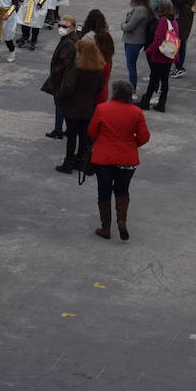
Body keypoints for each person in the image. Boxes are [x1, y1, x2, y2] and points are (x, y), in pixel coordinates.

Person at [87, 79, 150, 240]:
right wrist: (131, 144)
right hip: (127, 160)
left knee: (104, 191)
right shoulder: (136, 112)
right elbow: (144, 137)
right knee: (122, 190)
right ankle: (121, 221)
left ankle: (105, 227)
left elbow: (92, 131)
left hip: (103, 159)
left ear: (115, 93)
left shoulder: (102, 108)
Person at [56, 37, 105, 173]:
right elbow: (100, 88)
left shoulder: (76, 69)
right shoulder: (98, 70)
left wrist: (60, 96)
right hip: (88, 106)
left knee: (71, 136)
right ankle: (80, 160)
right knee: (83, 135)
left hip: (73, 106)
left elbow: (68, 87)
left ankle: (68, 162)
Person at [41, 13, 78, 140]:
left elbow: (64, 63)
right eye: (60, 25)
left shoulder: (68, 42)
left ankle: (58, 130)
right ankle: (68, 129)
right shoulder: (71, 39)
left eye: (64, 26)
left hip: (62, 79)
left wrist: (55, 74)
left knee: (60, 105)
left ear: (72, 28)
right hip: (65, 78)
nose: (61, 28)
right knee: (64, 104)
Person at [141, 0, 179, 112]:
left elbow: (158, 39)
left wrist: (148, 50)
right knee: (165, 80)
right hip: (170, 55)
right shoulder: (174, 21)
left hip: (160, 56)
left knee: (153, 79)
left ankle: (146, 102)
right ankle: (162, 103)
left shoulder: (163, 21)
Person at [120, 0, 152, 94]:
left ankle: (132, 89)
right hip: (137, 40)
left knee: (131, 66)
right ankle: (132, 87)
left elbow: (130, 26)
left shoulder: (140, 10)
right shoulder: (147, 8)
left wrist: (122, 25)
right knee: (131, 65)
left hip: (133, 41)